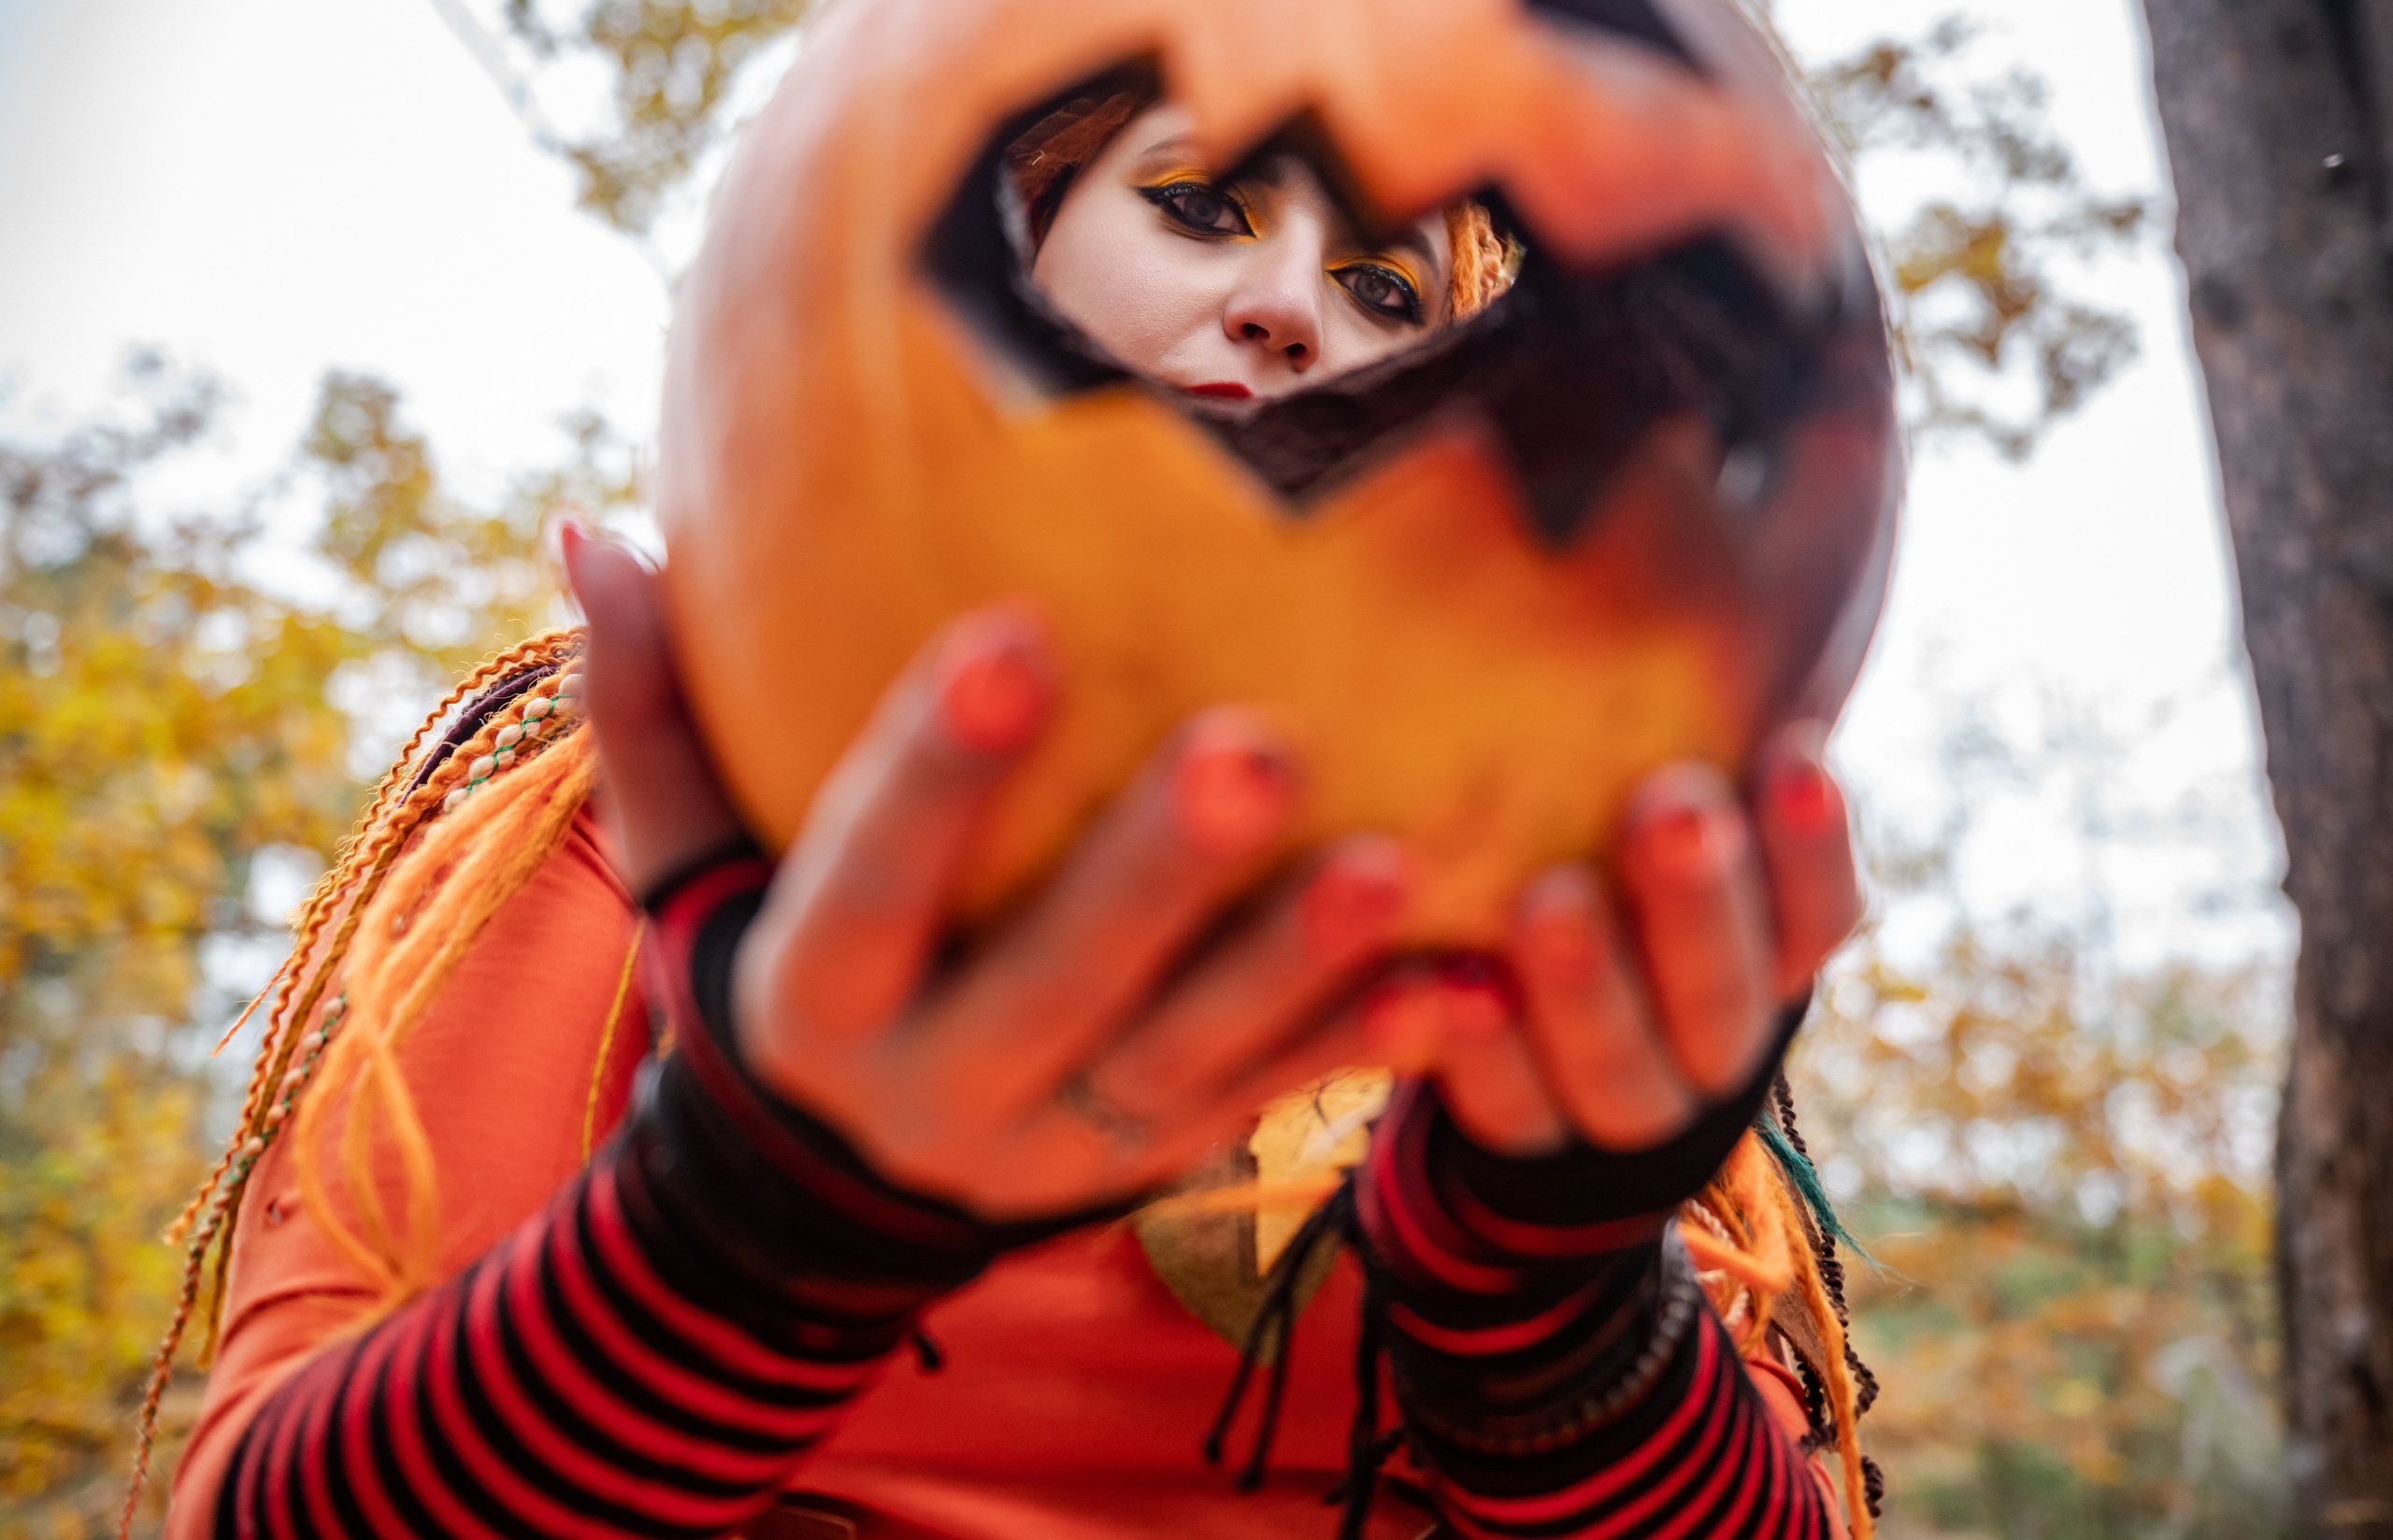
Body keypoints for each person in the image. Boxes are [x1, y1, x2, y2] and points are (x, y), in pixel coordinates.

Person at [136, 88, 1881, 1540]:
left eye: (1387, 290)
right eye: (1202, 207)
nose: (1291, 307)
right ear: (1006, 268)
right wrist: (741, 1230)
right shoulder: (647, 794)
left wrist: (1550, 1321)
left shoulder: (1553, 918)